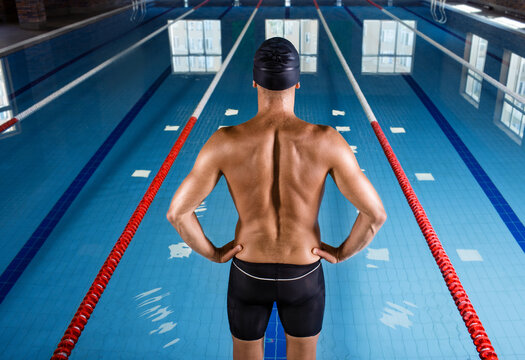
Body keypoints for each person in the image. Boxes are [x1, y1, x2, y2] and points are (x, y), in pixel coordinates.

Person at [166, 37, 386, 360]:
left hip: (248, 272)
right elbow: (375, 215)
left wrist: (214, 252)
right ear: (297, 82)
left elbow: (177, 213)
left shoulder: (224, 142)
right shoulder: (327, 142)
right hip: (305, 274)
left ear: (254, 80)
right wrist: (340, 253)